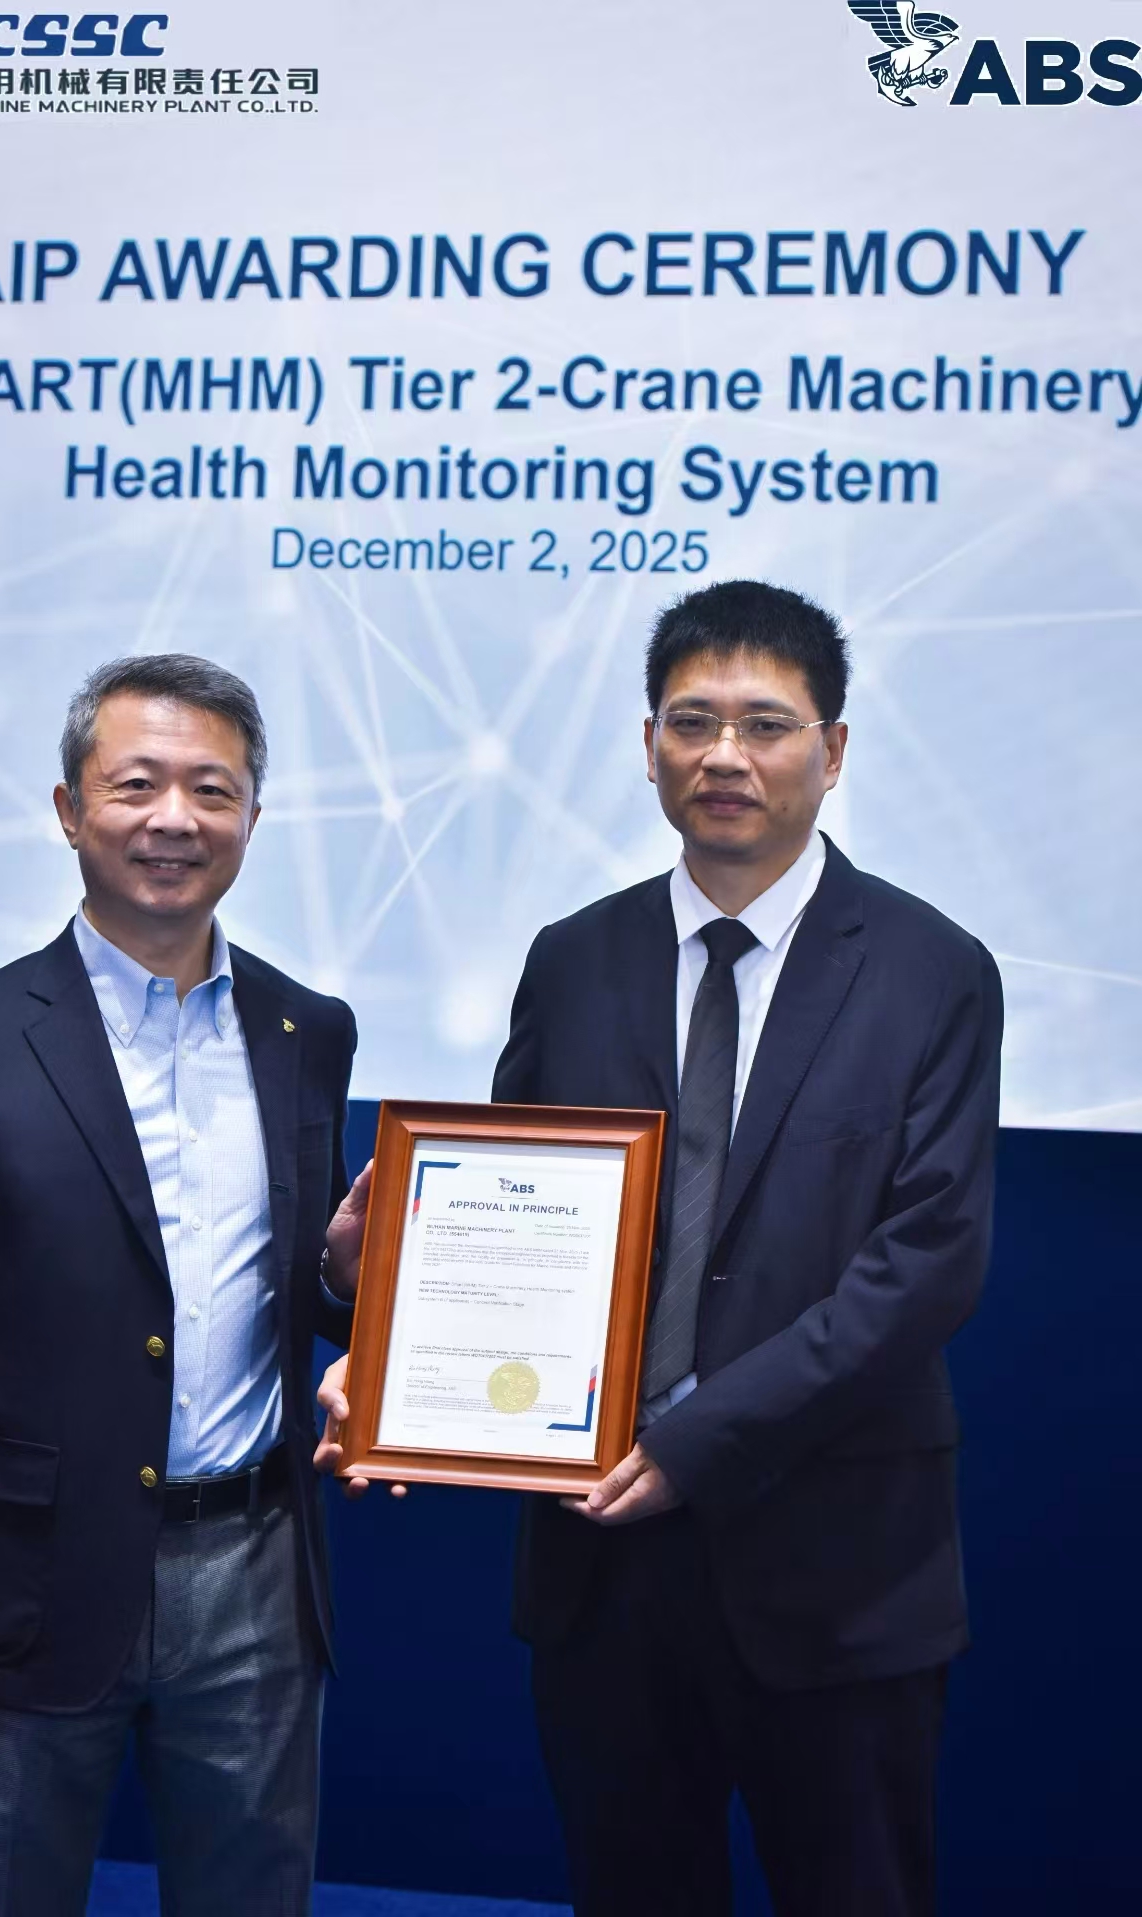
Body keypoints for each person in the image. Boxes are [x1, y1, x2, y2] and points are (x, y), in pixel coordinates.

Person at [318, 580, 1003, 1917]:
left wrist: (697, 1442)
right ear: (648, 746)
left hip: (837, 1560)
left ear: (833, 750)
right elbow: (511, 1222)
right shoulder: (574, 959)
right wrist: (386, 1332)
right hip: (602, 1569)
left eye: (764, 724)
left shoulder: (931, 968)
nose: (723, 754)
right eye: (691, 722)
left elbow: (927, 1265)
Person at [0, 655, 368, 1917]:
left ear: (253, 815)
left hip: (255, 1572)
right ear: (68, 808)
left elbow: (304, 1292)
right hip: (28, 1581)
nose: (174, 819)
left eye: (212, 789)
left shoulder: (307, 1031)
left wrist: (346, 1281)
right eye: (136, 785)